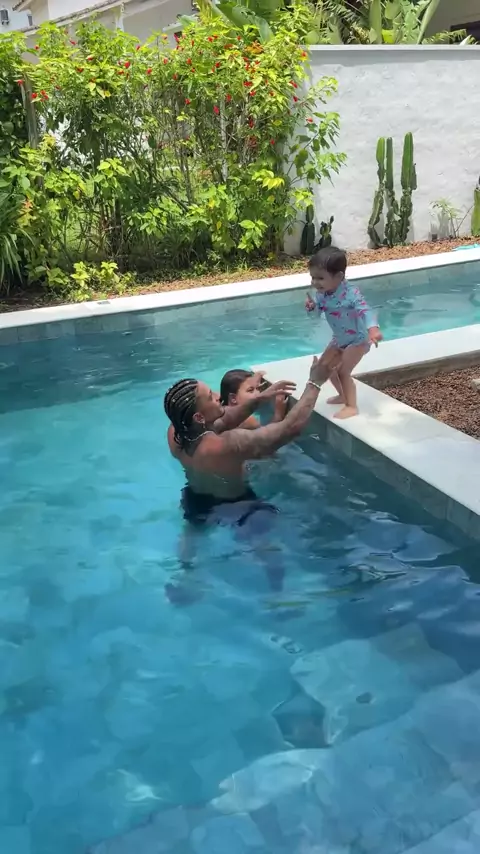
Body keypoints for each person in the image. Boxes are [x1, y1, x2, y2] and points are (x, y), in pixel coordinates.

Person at [164, 350, 341, 598]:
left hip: (197, 497)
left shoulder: (176, 434)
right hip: (239, 504)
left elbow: (221, 421)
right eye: (211, 396)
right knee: (267, 547)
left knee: (192, 534)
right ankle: (279, 596)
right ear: (199, 416)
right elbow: (289, 429)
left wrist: (260, 399)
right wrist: (315, 382)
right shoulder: (228, 444)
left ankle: (186, 576)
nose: (217, 396)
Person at [305, 246, 382, 419]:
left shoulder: (351, 293)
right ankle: (342, 395)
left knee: (342, 371)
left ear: (339, 277)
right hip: (339, 339)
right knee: (327, 368)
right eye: (313, 277)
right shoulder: (322, 294)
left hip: (358, 340)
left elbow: (365, 310)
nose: (315, 282)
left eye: (320, 278)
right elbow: (317, 315)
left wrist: (373, 329)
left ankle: (351, 406)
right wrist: (312, 308)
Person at [219, 368, 289, 429]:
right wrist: (278, 413)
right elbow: (267, 436)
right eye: (250, 390)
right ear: (233, 398)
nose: (258, 393)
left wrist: (252, 381)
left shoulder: (221, 410)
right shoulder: (246, 421)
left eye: (257, 388)